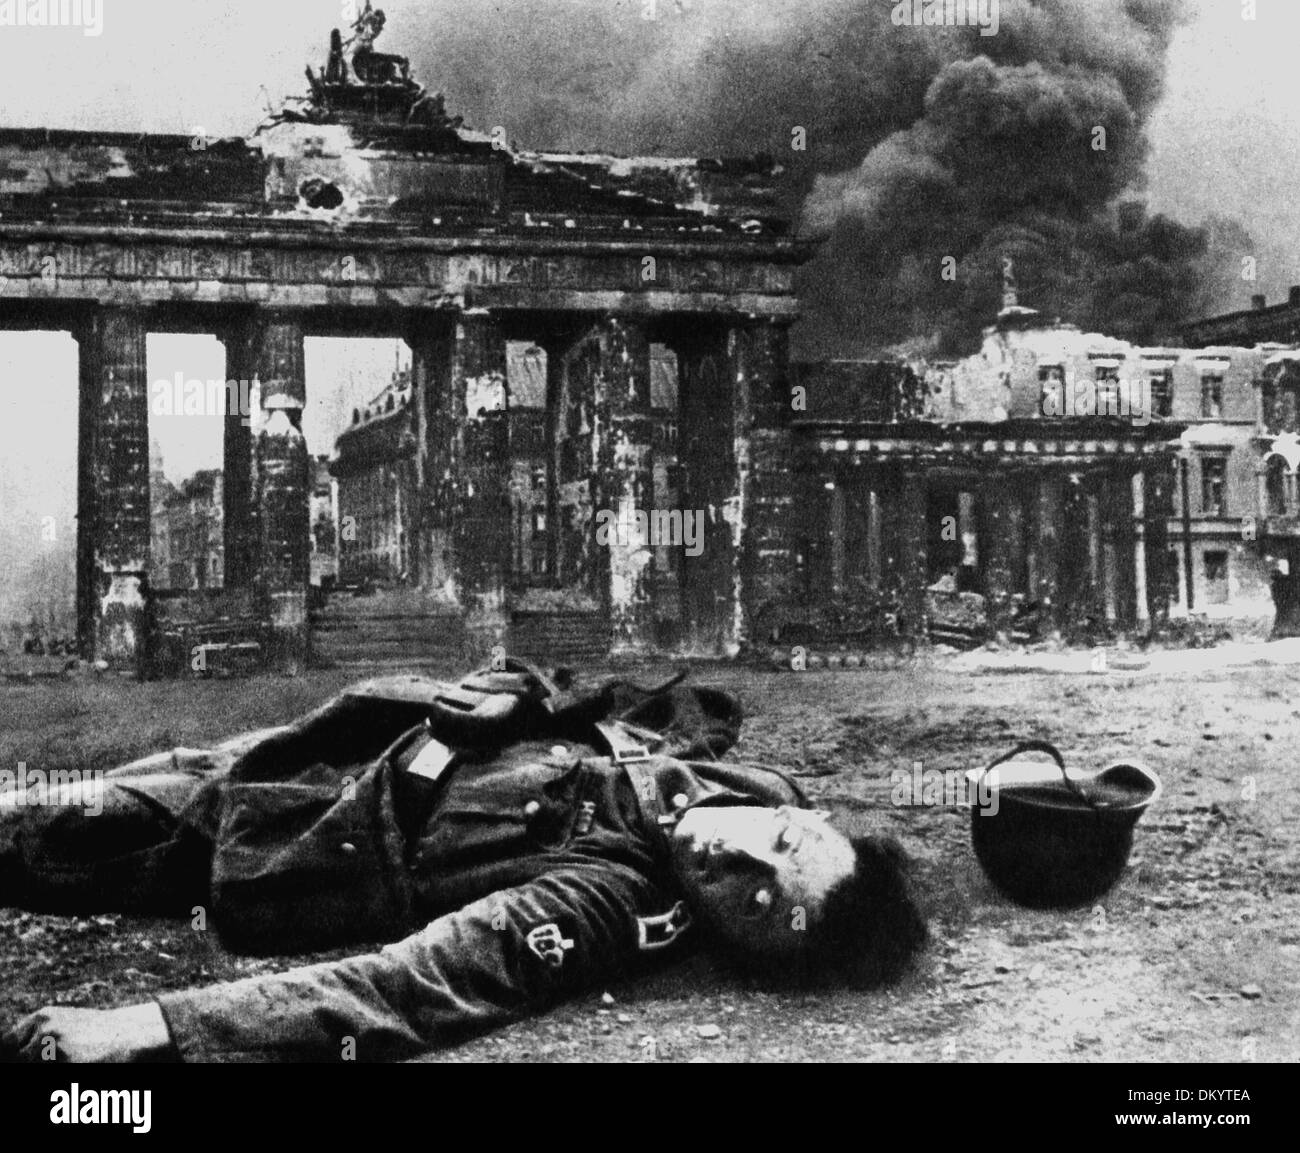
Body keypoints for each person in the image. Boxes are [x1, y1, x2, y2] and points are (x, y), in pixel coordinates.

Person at [1, 660, 927, 1062]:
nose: (735, 850)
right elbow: (641, 700)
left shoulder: (608, 902)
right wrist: (525, 692)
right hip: (327, 737)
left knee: (33, 828)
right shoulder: (756, 784)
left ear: (738, 942)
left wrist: (153, 1027)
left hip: (268, 834)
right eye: (781, 841)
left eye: (755, 904)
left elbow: (410, 986)